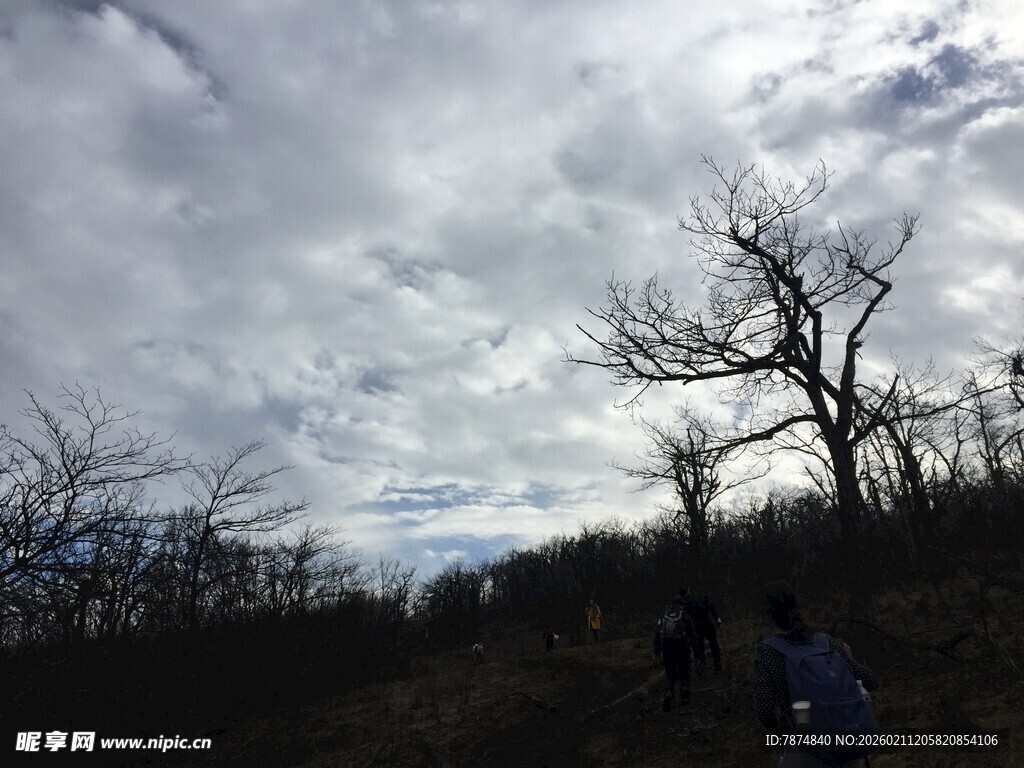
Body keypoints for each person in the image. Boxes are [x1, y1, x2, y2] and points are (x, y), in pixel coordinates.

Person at [753, 582, 880, 767]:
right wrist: (849, 662)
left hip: (806, 752)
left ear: (767, 615)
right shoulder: (826, 642)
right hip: (850, 747)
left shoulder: (766, 652)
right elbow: (871, 681)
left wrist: (788, 732)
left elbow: (766, 713)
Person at [653, 594, 699, 711]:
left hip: (667, 650)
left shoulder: (664, 617)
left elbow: (657, 636)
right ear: (681, 605)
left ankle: (669, 692)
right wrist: (697, 653)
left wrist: (657, 652)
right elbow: (693, 636)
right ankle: (684, 698)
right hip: (682, 649)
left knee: (670, 674)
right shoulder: (685, 617)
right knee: (684, 673)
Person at [681, 587, 723, 675]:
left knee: (700, 648)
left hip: (696, 626)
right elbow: (711, 606)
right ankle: (717, 667)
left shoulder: (685, 604)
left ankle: (702, 669)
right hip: (707, 623)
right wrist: (716, 618)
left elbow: (685, 618)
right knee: (714, 644)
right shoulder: (700, 598)